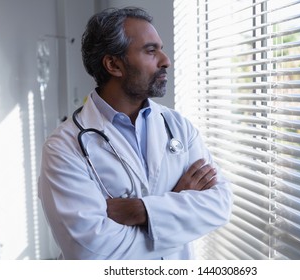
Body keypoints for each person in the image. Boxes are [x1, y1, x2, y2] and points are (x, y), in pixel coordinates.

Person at [38, 7, 232, 260]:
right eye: (151, 51)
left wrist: (140, 211)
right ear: (114, 65)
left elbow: (220, 205)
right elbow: (89, 253)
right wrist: (176, 212)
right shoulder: (63, 147)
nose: (166, 60)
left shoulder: (178, 126)